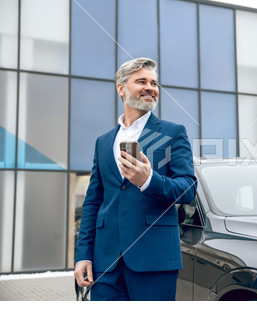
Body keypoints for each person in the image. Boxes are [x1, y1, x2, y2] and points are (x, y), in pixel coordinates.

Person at [74, 57, 197, 301]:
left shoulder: (173, 133)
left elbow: (188, 189)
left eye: (154, 83)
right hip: (105, 262)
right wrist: (83, 254)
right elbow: (93, 202)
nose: (150, 87)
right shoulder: (103, 141)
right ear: (121, 88)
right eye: (141, 81)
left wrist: (148, 179)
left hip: (154, 260)